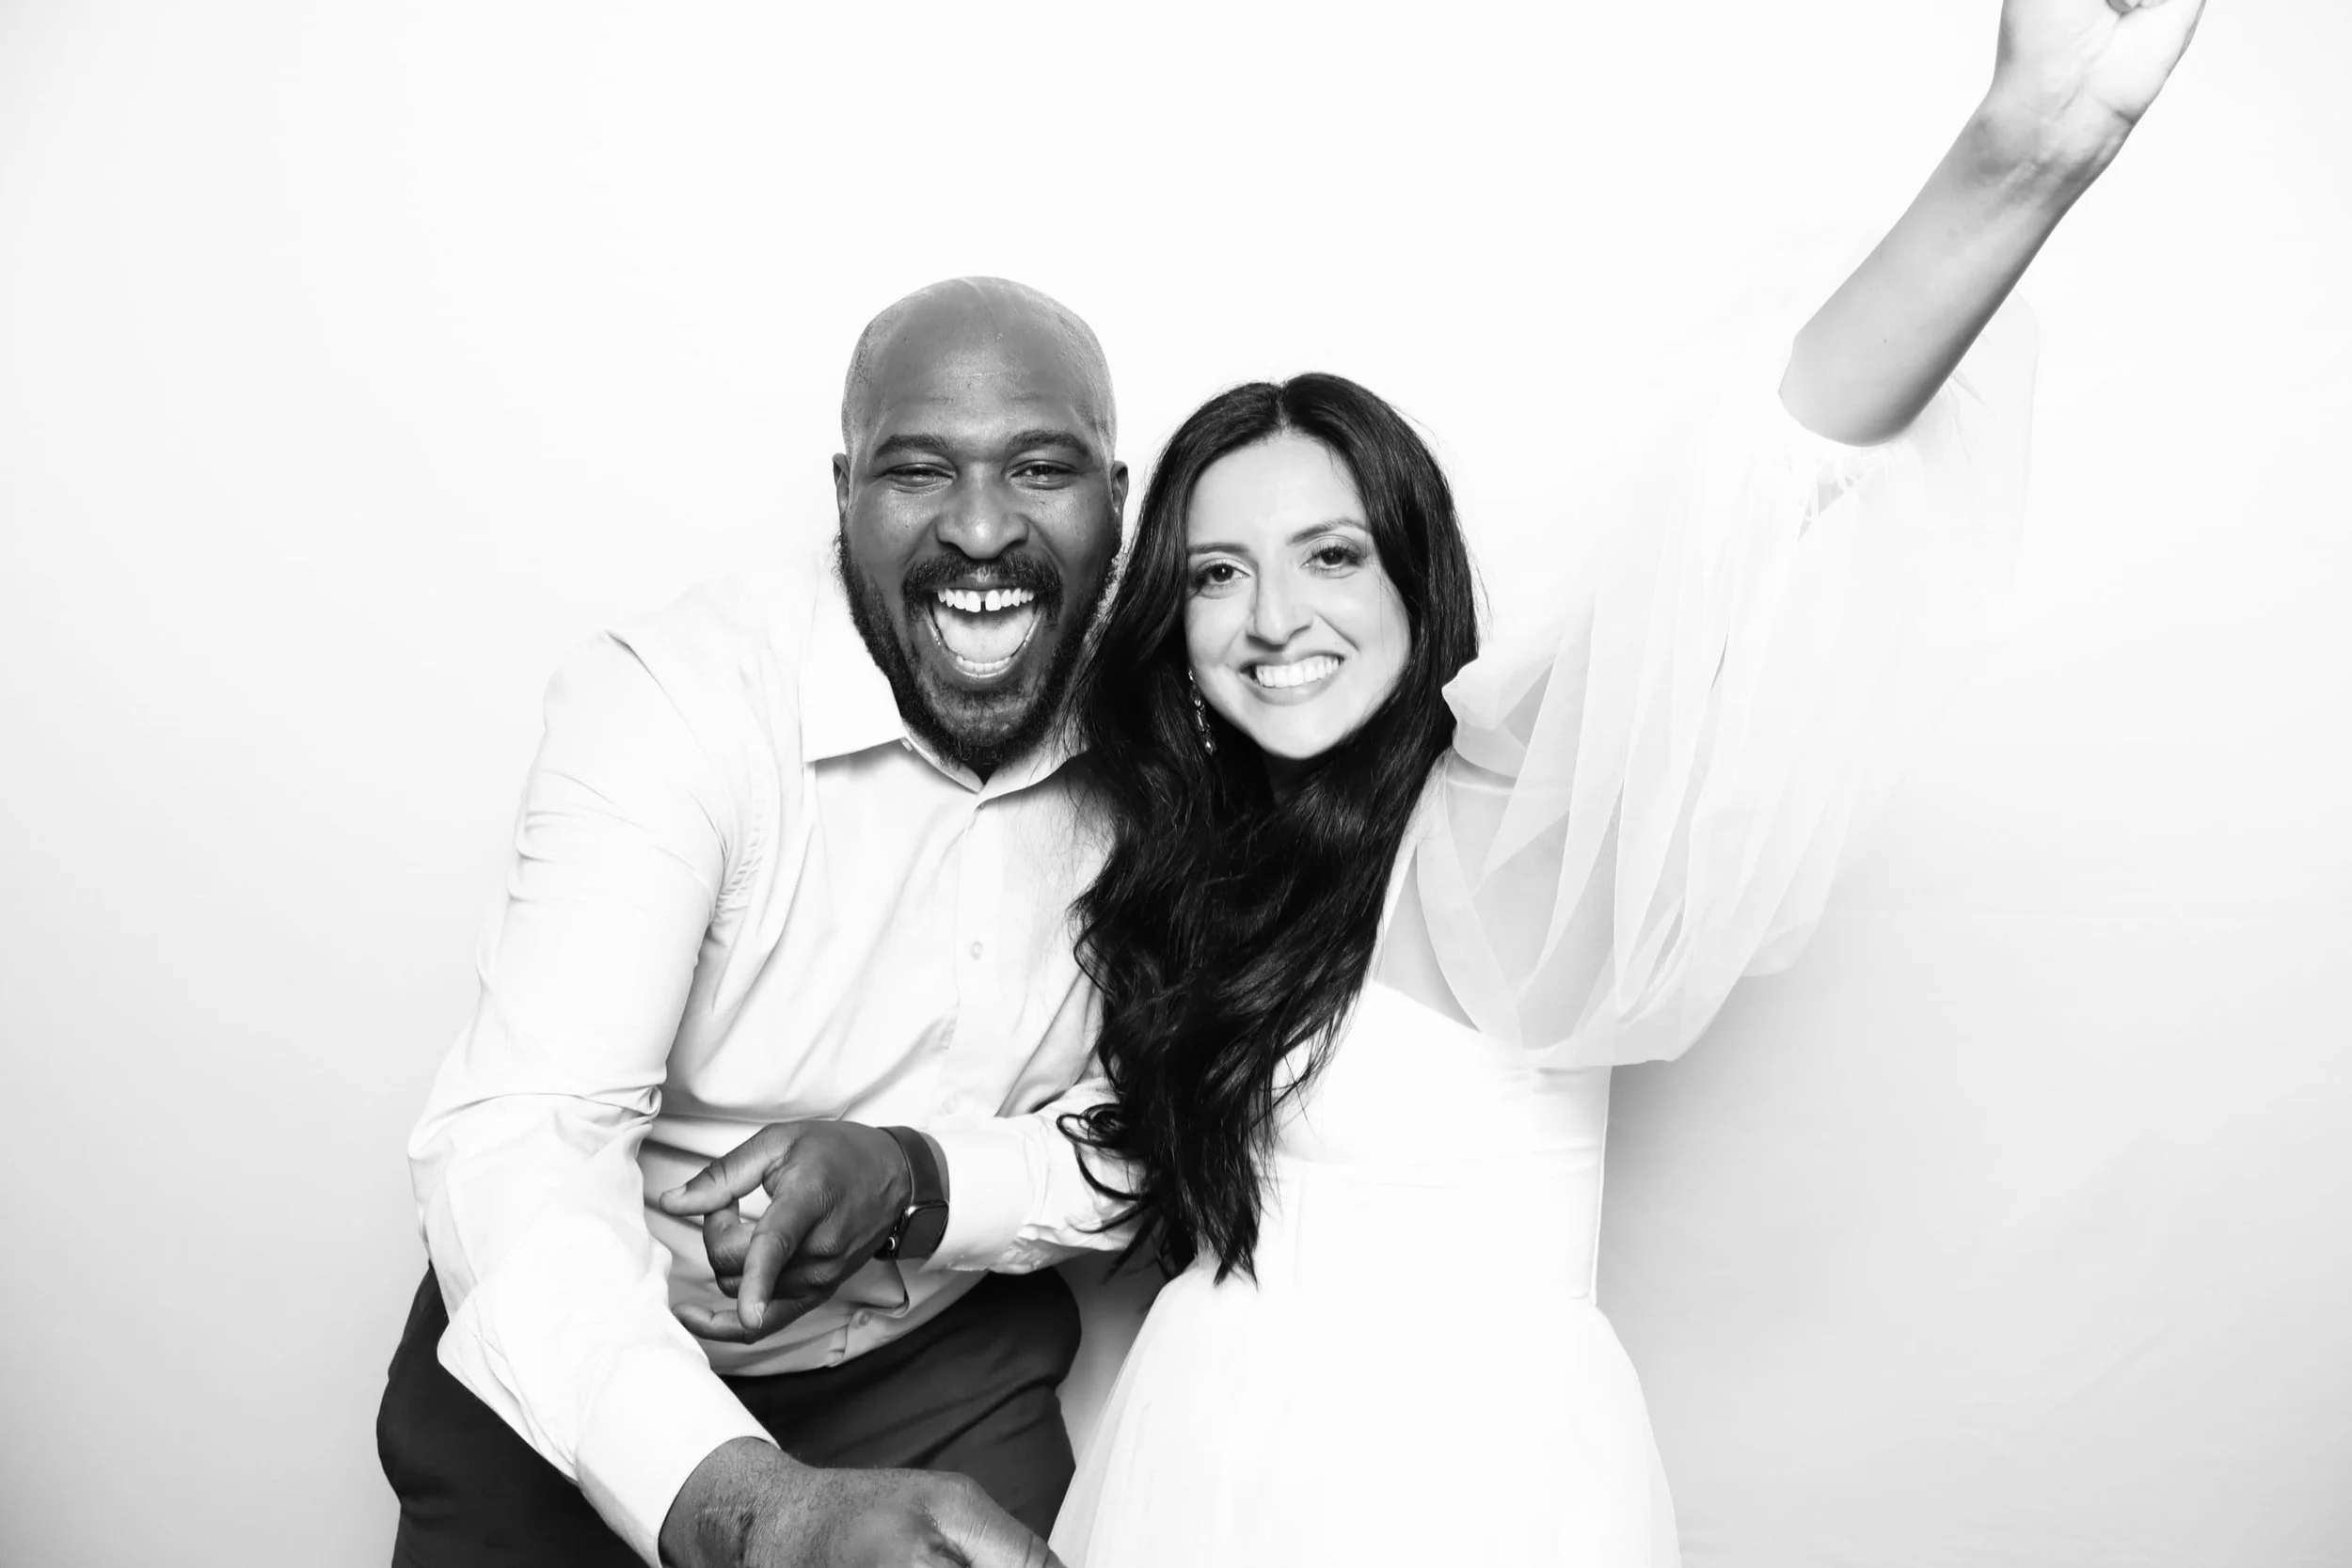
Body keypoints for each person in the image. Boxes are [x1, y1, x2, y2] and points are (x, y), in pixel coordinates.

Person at [1035, 1, 2201, 1561]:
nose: (1275, 621)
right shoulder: (1224, 857)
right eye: (1218, 574)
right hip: (1202, 1449)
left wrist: (2028, 151)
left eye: (1332, 557)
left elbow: (1750, 504)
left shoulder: (1494, 813)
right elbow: (1113, 1155)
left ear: (1412, 582)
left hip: (1455, 1492)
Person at [375, 277, 1134, 1568]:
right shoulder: (671, 705)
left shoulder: (1174, 730)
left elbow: (1164, 1127)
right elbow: (520, 1141)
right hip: (589, 1371)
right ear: (843, 489)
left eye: (1042, 466)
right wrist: (754, 1504)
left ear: (1117, 491)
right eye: (917, 470)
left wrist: (916, 1176)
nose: (983, 525)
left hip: (941, 1363)